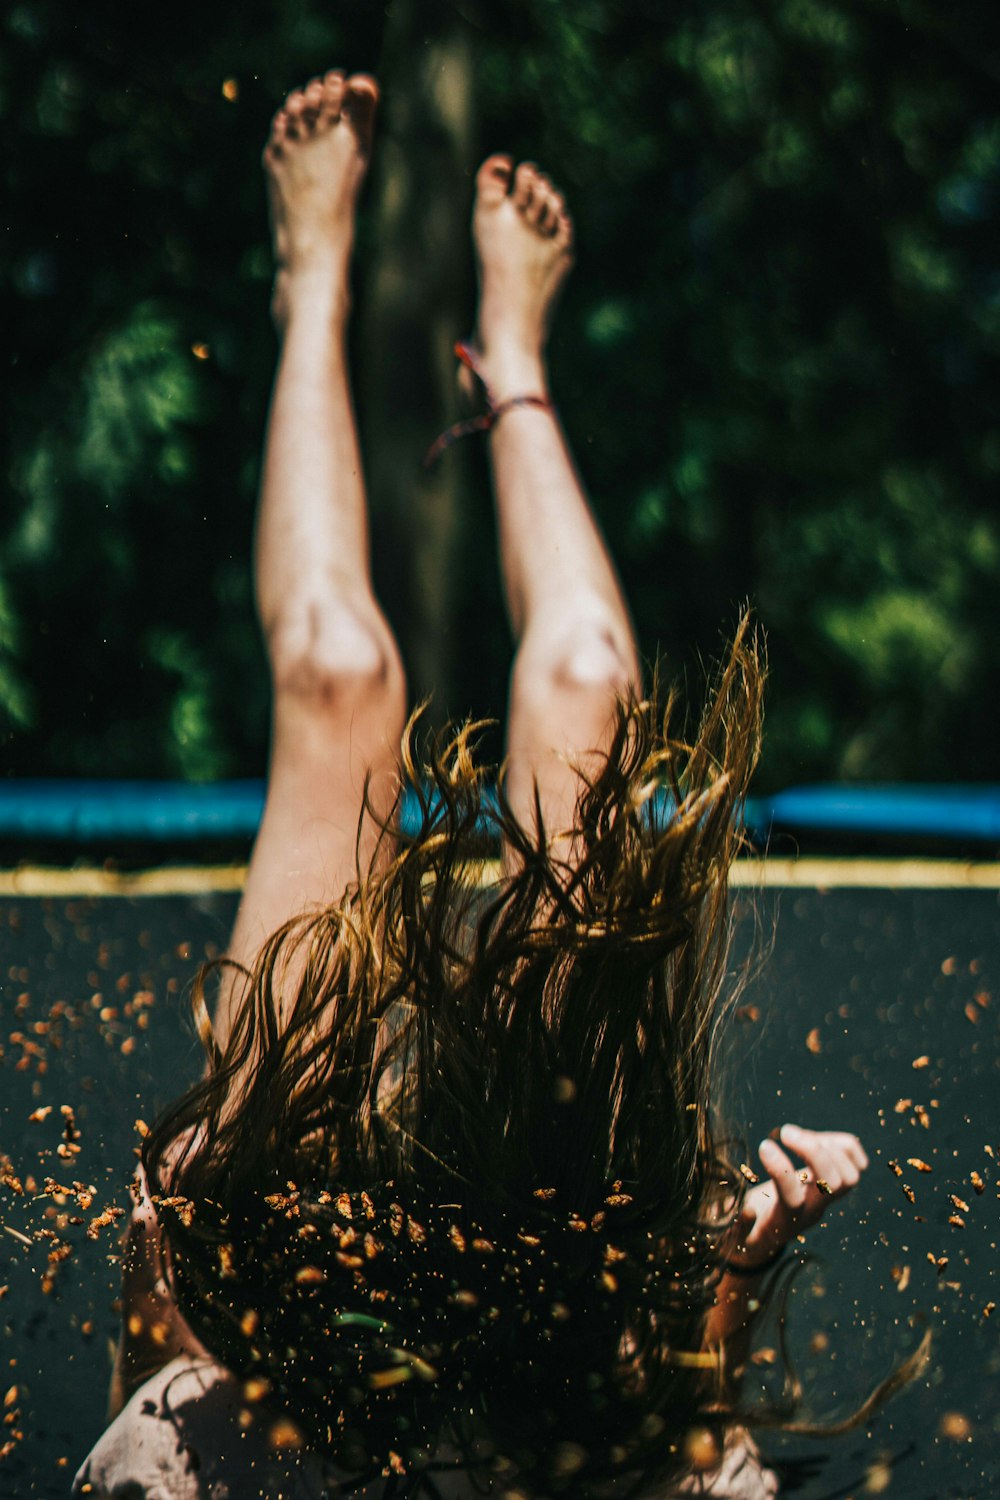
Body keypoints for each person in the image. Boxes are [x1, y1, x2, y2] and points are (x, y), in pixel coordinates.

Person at [74, 70, 877, 1500]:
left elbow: (167, 1382)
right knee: (579, 681)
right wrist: (739, 1275)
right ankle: (512, 357)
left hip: (303, 1341)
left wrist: (167, 1256)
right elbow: (678, 1445)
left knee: (337, 672)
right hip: (548, 1360)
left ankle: (310, 286)